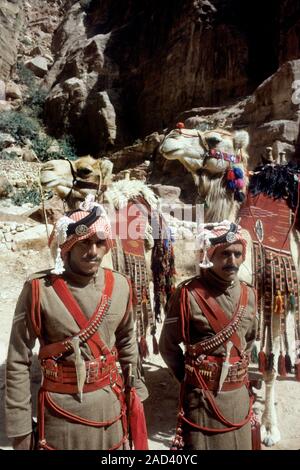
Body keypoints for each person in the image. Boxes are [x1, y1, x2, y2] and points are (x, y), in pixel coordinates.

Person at [5, 195, 148, 450]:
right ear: (66, 247)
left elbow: (127, 343)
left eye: (99, 242)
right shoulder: (40, 289)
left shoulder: (121, 286)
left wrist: (135, 394)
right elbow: (18, 360)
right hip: (62, 416)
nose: (92, 251)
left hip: (111, 412)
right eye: (83, 242)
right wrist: (20, 429)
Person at [159, 220, 258, 450]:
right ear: (209, 255)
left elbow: (249, 340)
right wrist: (190, 378)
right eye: (224, 254)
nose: (232, 261)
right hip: (203, 400)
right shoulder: (187, 294)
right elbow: (168, 346)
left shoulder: (249, 295)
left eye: (237, 254)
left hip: (239, 397)